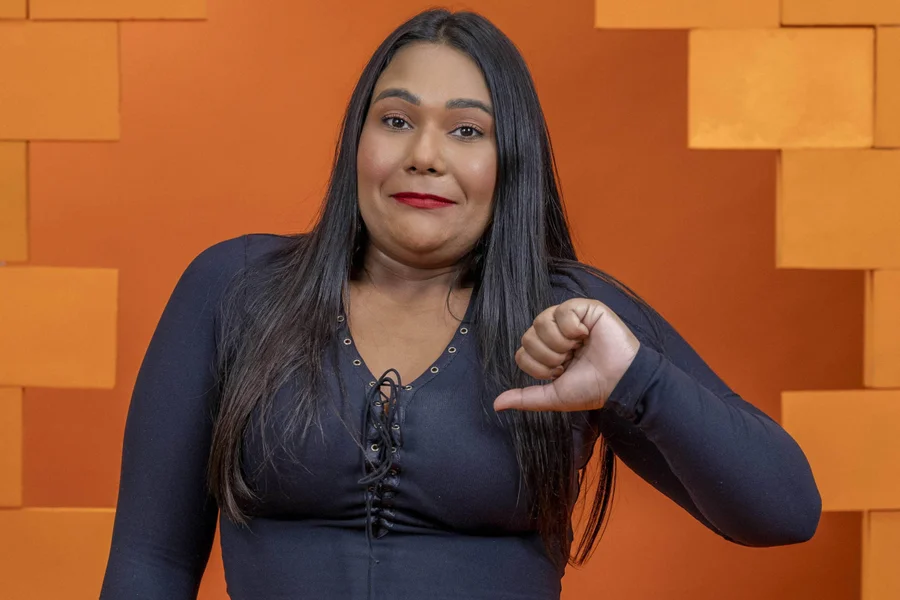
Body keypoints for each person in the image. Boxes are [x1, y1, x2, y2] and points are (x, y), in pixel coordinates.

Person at [99, 8, 821, 600]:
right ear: (357, 142)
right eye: (395, 120)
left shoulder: (575, 318)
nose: (425, 155)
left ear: (511, 163)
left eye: (467, 131)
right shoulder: (235, 290)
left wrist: (637, 379)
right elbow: (150, 562)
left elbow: (784, 511)